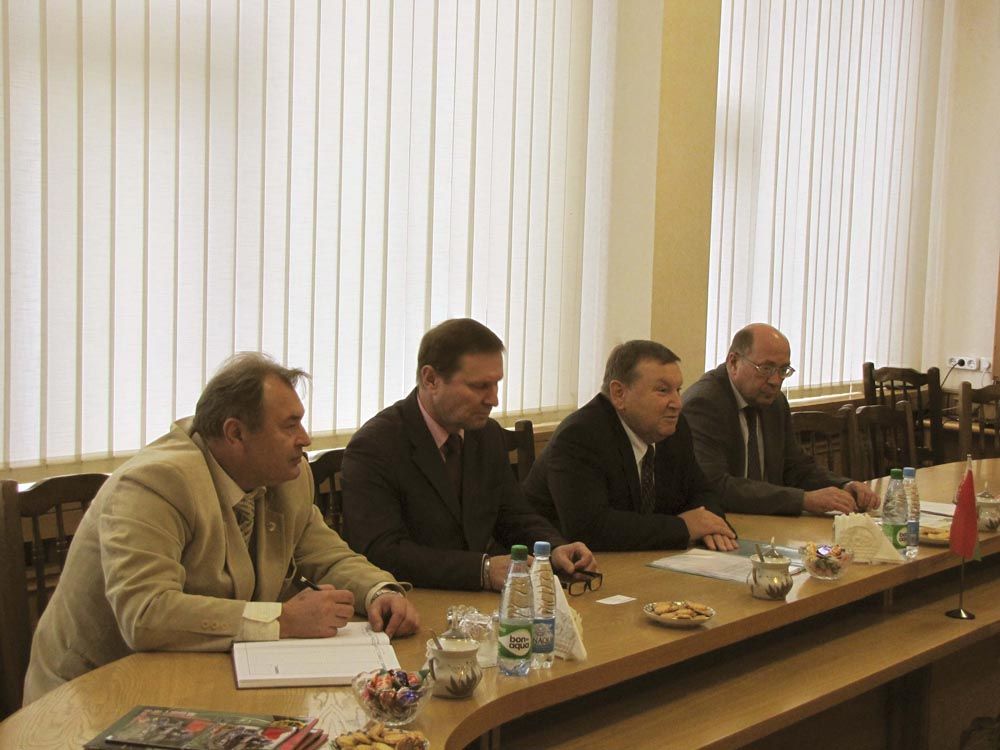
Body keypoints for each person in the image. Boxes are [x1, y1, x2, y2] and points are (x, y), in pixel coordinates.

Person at [24, 354, 419, 703]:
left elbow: (326, 554)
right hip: (90, 695)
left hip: (200, 678)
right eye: (290, 425)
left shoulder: (288, 477)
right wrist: (282, 619)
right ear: (235, 433)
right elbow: (145, 614)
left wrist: (378, 590)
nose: (305, 439)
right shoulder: (155, 484)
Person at [341, 318, 597, 591]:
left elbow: (514, 516)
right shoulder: (375, 447)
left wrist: (553, 549)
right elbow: (382, 552)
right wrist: (481, 570)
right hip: (415, 597)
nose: (493, 399)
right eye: (479, 386)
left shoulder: (486, 435)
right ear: (431, 379)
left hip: (479, 602)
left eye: (496, 384)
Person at [523, 340, 737, 551]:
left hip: (642, 558)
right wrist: (684, 528)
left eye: (678, 390)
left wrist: (712, 526)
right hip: (558, 563)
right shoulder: (580, 436)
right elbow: (591, 528)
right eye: (663, 390)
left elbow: (702, 491)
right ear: (619, 394)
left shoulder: (674, 429)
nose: (677, 403)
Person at [682, 323, 880, 515]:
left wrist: (843, 485)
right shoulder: (704, 404)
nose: (775, 381)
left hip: (769, 522)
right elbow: (716, 486)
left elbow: (795, 467)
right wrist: (803, 500)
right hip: (724, 522)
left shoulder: (774, 402)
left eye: (783, 370)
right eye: (766, 368)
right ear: (733, 362)